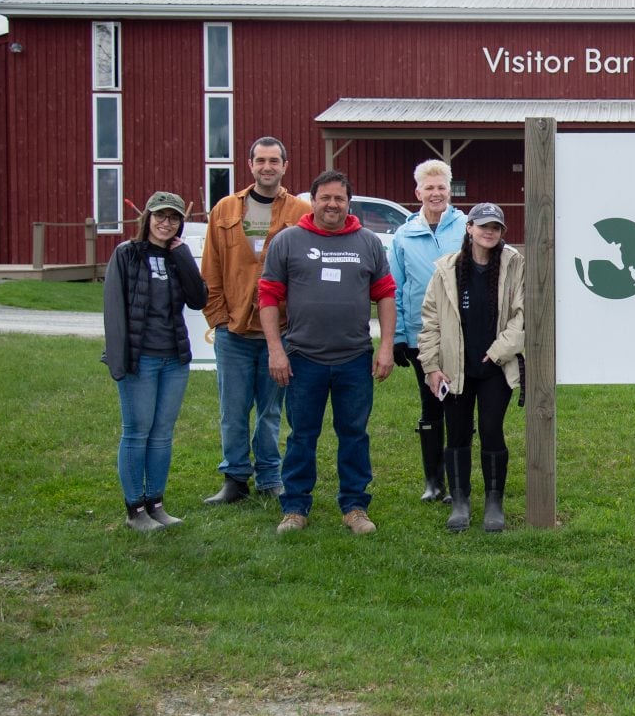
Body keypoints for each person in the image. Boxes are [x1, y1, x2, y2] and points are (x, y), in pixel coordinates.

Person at [258, 171, 397, 535]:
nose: (332, 204)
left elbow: (385, 295)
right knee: (301, 435)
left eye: (339, 198)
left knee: (354, 434)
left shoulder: (367, 243)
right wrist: (276, 350)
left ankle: (354, 507)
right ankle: (295, 508)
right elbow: (269, 297)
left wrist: (385, 347)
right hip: (303, 358)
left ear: (348, 202)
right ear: (314, 200)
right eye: (325, 198)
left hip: (354, 359)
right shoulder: (288, 241)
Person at [199, 136, 311, 505]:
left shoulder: (298, 212)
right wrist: (217, 318)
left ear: (284, 166)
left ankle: (268, 476)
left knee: (269, 411)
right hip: (233, 330)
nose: (267, 167)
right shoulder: (226, 209)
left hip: (277, 332)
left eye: (274, 161)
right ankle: (234, 478)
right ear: (249, 165)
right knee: (232, 411)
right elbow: (211, 268)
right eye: (260, 160)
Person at [102, 191, 207, 531]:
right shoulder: (127, 255)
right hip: (140, 360)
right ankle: (135, 511)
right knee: (137, 432)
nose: (166, 222)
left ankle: (156, 504)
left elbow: (198, 299)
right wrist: (118, 359)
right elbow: (113, 309)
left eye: (174, 217)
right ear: (146, 218)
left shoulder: (178, 256)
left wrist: (185, 257)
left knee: (162, 434)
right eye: (160, 216)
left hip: (173, 359)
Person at [420, 202, 525, 533]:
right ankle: (460, 500)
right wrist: (431, 367)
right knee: (458, 433)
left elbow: (523, 316)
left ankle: (494, 501)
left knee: (492, 430)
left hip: (495, 366)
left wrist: (497, 352)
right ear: (469, 229)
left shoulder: (513, 264)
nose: (489, 232)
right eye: (483, 226)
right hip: (455, 369)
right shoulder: (447, 270)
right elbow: (431, 322)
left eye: (495, 227)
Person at [389, 158, 468, 504]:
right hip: (424, 338)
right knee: (431, 405)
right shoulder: (404, 235)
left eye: (441, 187)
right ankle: (433, 482)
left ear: (450, 191)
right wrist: (398, 338)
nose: (436, 194)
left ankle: (456, 481)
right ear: (417, 192)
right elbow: (395, 287)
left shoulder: (466, 227)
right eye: (429, 188)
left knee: (458, 406)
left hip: (463, 334)